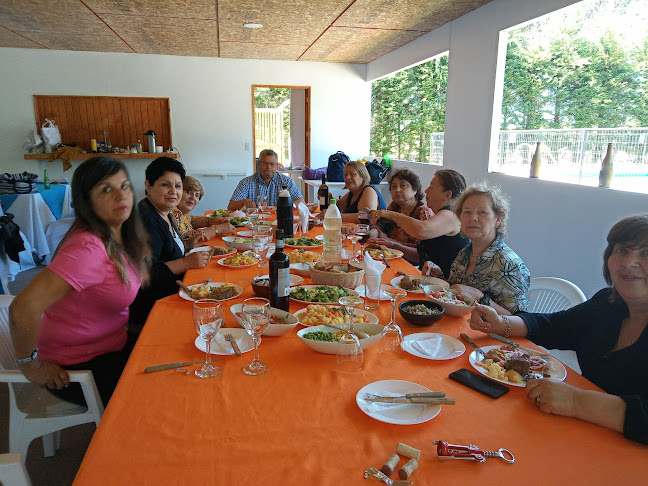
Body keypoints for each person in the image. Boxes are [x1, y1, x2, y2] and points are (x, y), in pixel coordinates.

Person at [469, 214, 648, 444]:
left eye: (645, 253)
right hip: (581, 433)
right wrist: (502, 324)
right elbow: (555, 326)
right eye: (622, 250)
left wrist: (575, 401)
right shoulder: (607, 304)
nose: (628, 262)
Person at [8, 157, 151, 406]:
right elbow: (22, 308)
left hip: (112, 345)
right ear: (87, 200)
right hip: (77, 366)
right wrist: (31, 367)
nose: (121, 195)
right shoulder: (88, 248)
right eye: (106, 189)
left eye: (125, 186)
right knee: (165, 395)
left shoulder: (120, 235)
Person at [129, 157, 211, 330]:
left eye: (178, 186)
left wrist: (188, 245)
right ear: (148, 186)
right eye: (166, 185)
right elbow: (146, 273)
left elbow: (165, 250)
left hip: (174, 294)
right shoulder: (146, 219)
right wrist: (186, 262)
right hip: (155, 309)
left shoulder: (164, 212)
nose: (173, 191)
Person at [426, 181, 530, 314]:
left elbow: (519, 320)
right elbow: (456, 294)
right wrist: (439, 276)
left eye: (482, 212)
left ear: (498, 219)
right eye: (467, 212)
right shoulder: (464, 253)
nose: (473, 218)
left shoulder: (509, 265)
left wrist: (479, 297)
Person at [370, 169, 468, 275]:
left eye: (431, 186)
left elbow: (421, 230)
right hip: (425, 280)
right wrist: (392, 245)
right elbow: (420, 256)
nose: (426, 190)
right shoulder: (440, 215)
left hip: (442, 287)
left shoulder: (451, 215)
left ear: (447, 195)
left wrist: (390, 214)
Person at [365, 168, 433, 264]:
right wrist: (373, 233)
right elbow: (379, 226)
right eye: (393, 187)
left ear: (415, 190)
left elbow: (421, 251)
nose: (397, 190)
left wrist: (389, 242)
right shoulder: (394, 206)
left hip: (411, 263)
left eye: (403, 186)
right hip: (390, 257)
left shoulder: (423, 212)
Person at [228, 149, 304, 210]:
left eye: (272, 164)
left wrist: (285, 206)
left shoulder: (287, 182)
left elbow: (301, 202)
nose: (268, 167)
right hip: (255, 223)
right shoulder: (246, 183)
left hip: (280, 220)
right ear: (258, 164)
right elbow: (231, 206)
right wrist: (243, 201)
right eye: (264, 163)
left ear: (277, 166)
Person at [317, 160, 386, 223]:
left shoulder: (369, 191)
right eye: (345, 175)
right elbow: (338, 206)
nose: (347, 177)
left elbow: (366, 217)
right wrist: (329, 199)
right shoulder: (352, 193)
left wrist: (335, 217)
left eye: (352, 174)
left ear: (362, 176)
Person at [170, 175, 234, 241]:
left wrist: (210, 221)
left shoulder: (183, 214)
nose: (193, 198)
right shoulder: (173, 212)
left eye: (197, 195)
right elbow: (187, 238)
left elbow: (192, 220)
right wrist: (217, 229)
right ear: (178, 192)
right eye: (188, 192)